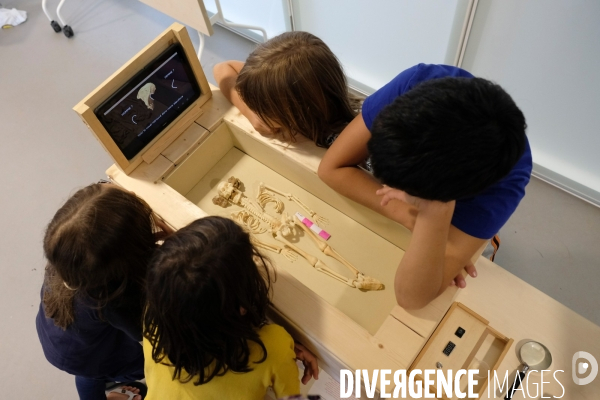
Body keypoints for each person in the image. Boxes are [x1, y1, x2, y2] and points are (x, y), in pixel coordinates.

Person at [318, 64, 532, 310]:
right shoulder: (419, 82)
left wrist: (433, 217)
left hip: (454, 210)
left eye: (407, 192)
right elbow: (331, 169)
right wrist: (416, 221)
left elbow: (412, 297)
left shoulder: (505, 185)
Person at [142, 216, 318, 399]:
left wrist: (183, 257)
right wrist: (280, 349)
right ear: (240, 307)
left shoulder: (154, 314)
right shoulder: (274, 346)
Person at [36, 181, 173, 400]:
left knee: (88, 372)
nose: (129, 191)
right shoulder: (113, 299)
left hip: (59, 341)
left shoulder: (68, 255)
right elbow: (148, 338)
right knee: (112, 369)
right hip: (88, 357)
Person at [214, 31, 361, 147]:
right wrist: (248, 111)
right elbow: (222, 68)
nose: (254, 108)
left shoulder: (346, 143)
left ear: (298, 111)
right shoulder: (315, 94)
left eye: (261, 107)